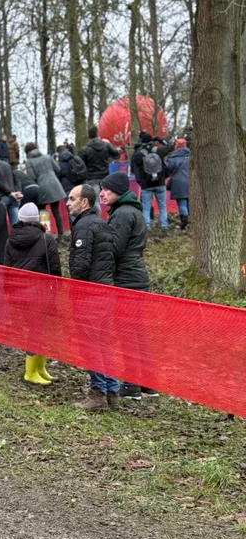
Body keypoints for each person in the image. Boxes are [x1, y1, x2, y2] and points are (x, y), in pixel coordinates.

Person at [100, 171, 156, 401]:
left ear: (118, 191)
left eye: (106, 189)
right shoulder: (132, 211)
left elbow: (114, 248)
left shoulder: (122, 214)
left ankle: (132, 385)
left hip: (127, 279)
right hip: (135, 276)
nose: (102, 193)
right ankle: (147, 383)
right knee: (137, 331)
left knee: (127, 332)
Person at [66, 184, 118, 411]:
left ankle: (98, 392)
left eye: (72, 199)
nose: (68, 203)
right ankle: (112, 390)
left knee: (90, 343)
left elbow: (81, 265)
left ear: (84, 202)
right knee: (105, 341)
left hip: (90, 293)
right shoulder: (102, 223)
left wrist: (75, 287)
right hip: (107, 290)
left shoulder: (84, 225)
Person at [4, 202, 62, 385]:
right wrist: (57, 289)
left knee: (37, 330)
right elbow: (55, 268)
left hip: (20, 293)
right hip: (40, 293)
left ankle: (39, 368)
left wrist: (10, 293)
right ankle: (30, 372)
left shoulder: (10, 239)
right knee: (38, 331)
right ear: (37, 219)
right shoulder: (46, 239)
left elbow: (7, 269)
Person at [132, 131, 173, 233]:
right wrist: (159, 140)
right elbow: (170, 146)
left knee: (145, 207)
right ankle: (164, 226)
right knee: (162, 206)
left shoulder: (138, 155)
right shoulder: (159, 151)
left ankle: (147, 227)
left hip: (146, 185)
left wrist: (140, 181)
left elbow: (135, 169)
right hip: (160, 183)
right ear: (152, 142)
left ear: (142, 143)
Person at [24, 142, 66, 237]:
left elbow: (32, 176)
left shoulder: (29, 162)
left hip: (41, 188)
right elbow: (58, 169)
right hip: (54, 185)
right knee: (56, 211)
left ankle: (45, 235)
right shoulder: (47, 157)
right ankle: (61, 235)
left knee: (42, 212)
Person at [165, 138, 190, 230]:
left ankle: (184, 223)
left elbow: (168, 168)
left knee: (182, 203)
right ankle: (191, 221)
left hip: (178, 182)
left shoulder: (173, 157)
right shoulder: (191, 156)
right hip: (191, 181)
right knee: (188, 202)